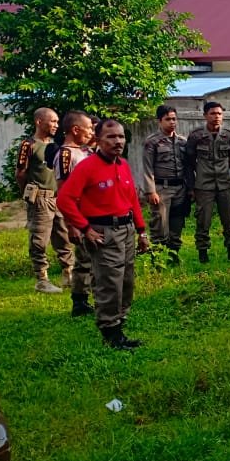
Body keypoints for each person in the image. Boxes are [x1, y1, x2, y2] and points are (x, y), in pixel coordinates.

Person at [56, 119, 149, 350]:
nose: (118, 141)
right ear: (98, 140)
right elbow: (64, 199)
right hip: (103, 232)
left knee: (126, 281)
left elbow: (132, 200)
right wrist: (85, 228)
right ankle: (110, 332)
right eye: (111, 137)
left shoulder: (123, 165)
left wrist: (142, 231)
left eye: (121, 137)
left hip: (126, 230)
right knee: (109, 282)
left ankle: (120, 324)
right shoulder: (87, 167)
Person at [16, 107, 74, 293]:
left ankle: (68, 274)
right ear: (39, 122)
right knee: (39, 239)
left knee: (64, 236)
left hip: (58, 198)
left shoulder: (56, 145)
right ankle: (42, 279)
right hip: (40, 198)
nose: (56, 125)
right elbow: (20, 173)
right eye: (53, 121)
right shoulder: (28, 145)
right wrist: (26, 192)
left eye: (58, 121)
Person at [185, 101, 230, 263]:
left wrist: (222, 171)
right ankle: (203, 254)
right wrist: (193, 184)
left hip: (224, 184)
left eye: (219, 114)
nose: (216, 117)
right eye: (212, 113)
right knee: (203, 220)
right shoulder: (196, 136)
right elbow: (189, 162)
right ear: (205, 116)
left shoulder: (228, 135)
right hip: (204, 185)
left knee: (229, 219)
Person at [53, 112, 95, 316]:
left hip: (91, 214)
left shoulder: (84, 152)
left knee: (93, 258)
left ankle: (91, 296)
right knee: (84, 260)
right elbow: (63, 191)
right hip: (79, 217)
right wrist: (72, 224)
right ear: (75, 129)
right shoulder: (66, 154)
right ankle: (80, 301)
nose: (91, 132)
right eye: (89, 128)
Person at [142, 105, 188, 264]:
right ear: (159, 121)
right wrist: (150, 191)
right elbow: (147, 168)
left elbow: (188, 166)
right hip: (162, 189)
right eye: (168, 119)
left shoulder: (182, 141)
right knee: (159, 226)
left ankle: (174, 258)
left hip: (180, 189)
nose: (172, 122)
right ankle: (157, 261)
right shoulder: (152, 142)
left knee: (177, 224)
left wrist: (190, 188)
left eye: (174, 119)